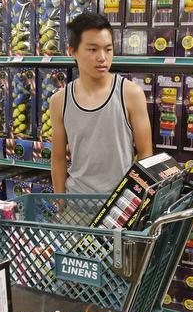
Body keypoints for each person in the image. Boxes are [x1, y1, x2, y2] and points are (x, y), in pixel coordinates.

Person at [49, 12, 153, 194]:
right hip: (76, 203)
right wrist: (60, 200)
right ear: (72, 51)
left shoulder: (130, 94)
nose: (102, 57)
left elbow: (145, 155)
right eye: (92, 49)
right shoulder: (60, 101)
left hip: (120, 206)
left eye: (108, 49)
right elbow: (58, 158)